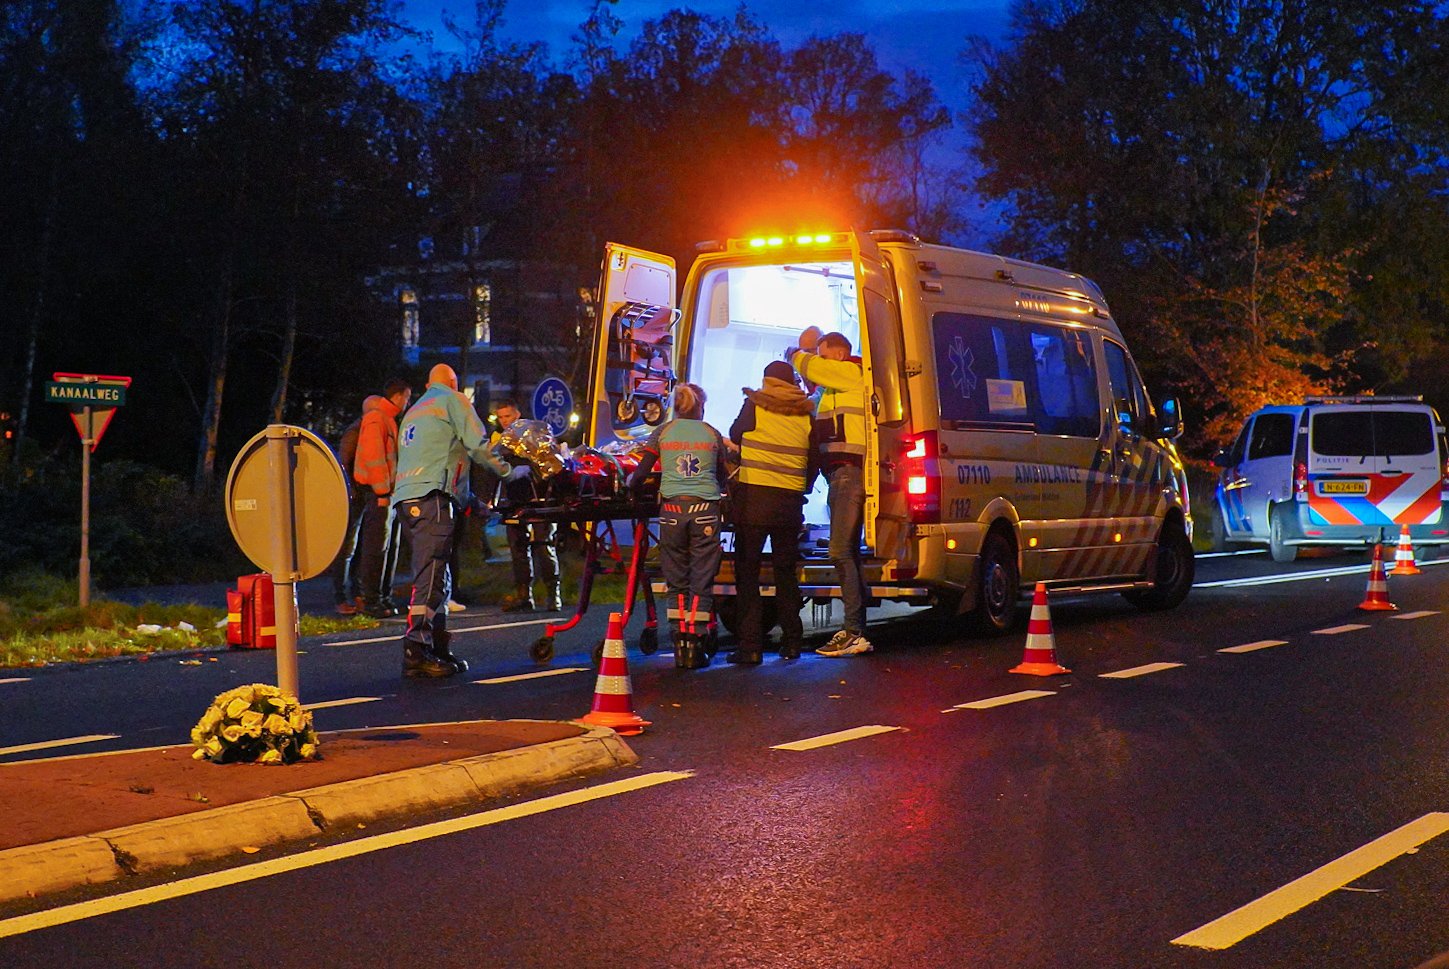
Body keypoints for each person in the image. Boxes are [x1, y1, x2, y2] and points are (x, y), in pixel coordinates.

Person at [393, 364, 523, 678]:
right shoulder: (453, 400)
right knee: (433, 574)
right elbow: (478, 446)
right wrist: (509, 471)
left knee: (438, 572)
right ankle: (417, 646)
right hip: (433, 497)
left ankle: (437, 645)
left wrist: (472, 503)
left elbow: (443, 458)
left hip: (407, 498)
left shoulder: (413, 412)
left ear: (428, 384)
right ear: (453, 383)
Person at [627, 383, 729, 669]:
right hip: (704, 510)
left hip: (671, 510)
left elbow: (640, 474)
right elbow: (722, 476)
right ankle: (695, 642)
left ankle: (678, 640)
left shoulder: (663, 432)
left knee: (676, 580)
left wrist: (631, 488)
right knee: (701, 578)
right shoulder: (711, 433)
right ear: (701, 407)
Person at [791, 328, 873, 656]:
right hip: (838, 475)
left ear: (837, 354)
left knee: (839, 552)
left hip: (849, 474)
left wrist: (798, 353)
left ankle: (854, 631)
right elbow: (812, 405)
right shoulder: (833, 388)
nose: (818, 361)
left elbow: (812, 368)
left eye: (822, 354)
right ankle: (857, 630)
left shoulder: (851, 372)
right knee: (848, 552)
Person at [727, 361, 815, 663]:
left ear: (767, 380)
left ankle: (750, 647)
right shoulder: (806, 413)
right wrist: (801, 487)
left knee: (748, 573)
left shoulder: (755, 404)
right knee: (785, 573)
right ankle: (792, 643)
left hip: (754, 500)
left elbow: (735, 434)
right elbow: (813, 458)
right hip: (789, 504)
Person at [492, 400, 561, 612]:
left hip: (539, 498)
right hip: (514, 498)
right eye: (501, 418)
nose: (505, 422)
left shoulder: (534, 434)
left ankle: (553, 595)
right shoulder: (499, 441)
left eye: (508, 417)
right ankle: (524, 595)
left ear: (518, 415)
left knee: (543, 544)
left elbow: (551, 463)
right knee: (518, 548)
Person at [354, 379, 412, 619]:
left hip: (388, 493)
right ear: (398, 396)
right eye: (407, 397)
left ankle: (382, 596)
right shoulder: (378, 419)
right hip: (380, 494)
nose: (408, 403)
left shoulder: (386, 419)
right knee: (377, 548)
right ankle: (371, 599)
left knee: (388, 547)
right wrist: (381, 493)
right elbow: (374, 457)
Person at [329, 408, 368, 614]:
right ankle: (341, 598)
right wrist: (350, 490)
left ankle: (357, 593)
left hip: (361, 496)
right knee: (347, 549)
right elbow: (343, 464)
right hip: (353, 498)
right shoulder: (355, 432)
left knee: (358, 548)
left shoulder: (364, 430)